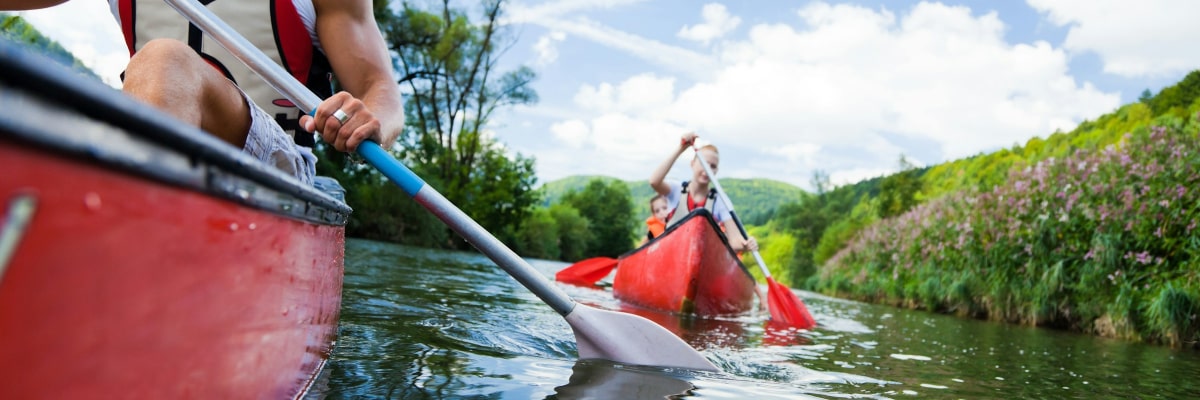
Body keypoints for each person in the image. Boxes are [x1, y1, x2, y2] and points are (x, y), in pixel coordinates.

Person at [3, 0, 404, 185]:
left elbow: (379, 89)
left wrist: (372, 120)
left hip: (276, 163)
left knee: (164, 61)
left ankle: (120, 242)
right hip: (137, 141)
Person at [648, 132, 758, 253]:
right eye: (704, 163)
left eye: (713, 166)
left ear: (716, 170)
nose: (707, 169)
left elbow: (735, 240)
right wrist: (681, 148)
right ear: (692, 164)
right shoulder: (676, 189)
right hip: (671, 254)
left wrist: (746, 244)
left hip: (701, 257)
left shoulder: (720, 200)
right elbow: (654, 181)